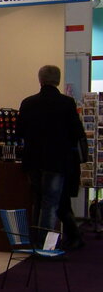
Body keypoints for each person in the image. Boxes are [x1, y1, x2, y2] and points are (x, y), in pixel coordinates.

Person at [16, 64, 88, 248]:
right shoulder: (66, 103)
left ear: (40, 79)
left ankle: (37, 240)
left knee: (38, 200)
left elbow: (19, 132)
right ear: (58, 80)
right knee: (51, 203)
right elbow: (77, 132)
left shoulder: (28, 102)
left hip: (33, 159)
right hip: (57, 160)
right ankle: (45, 244)